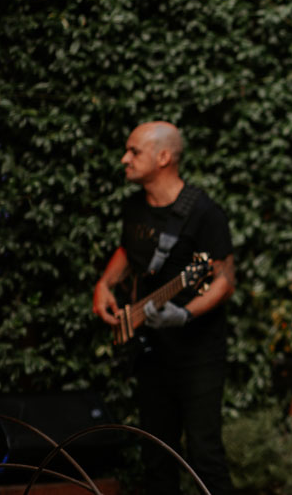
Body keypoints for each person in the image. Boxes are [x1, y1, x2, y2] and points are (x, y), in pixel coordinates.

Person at [92, 121, 236, 495]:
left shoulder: (205, 213)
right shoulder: (134, 207)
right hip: (150, 350)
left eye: (134, 151)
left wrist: (185, 313)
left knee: (205, 455)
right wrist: (104, 285)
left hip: (198, 354)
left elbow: (223, 280)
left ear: (164, 157)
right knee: (156, 456)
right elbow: (129, 251)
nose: (124, 159)